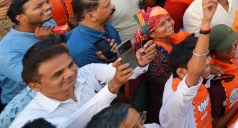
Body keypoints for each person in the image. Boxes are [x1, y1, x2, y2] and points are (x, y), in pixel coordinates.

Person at [10, 35, 155, 128]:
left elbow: (121, 72)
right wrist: (111, 88)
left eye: (71, 64)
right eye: (58, 74)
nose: (71, 73)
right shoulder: (29, 120)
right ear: (35, 86)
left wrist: (138, 62)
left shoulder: (86, 72)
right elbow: (69, 124)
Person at [158, 0, 219, 127]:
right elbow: (195, 71)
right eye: (203, 61)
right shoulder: (176, 102)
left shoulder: (187, 74)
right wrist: (205, 23)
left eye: (207, 57)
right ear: (181, 72)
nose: (208, 61)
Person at [0, 0, 57, 105]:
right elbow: (36, 80)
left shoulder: (47, 22)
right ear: (21, 17)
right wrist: (47, 43)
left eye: (47, 2)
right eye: (38, 6)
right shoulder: (6, 51)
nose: (48, 6)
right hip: (24, 102)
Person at [65, 0, 120, 67]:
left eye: (110, 3)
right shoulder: (84, 52)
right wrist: (112, 61)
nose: (113, 6)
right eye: (107, 6)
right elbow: (101, 77)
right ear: (91, 17)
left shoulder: (102, 23)